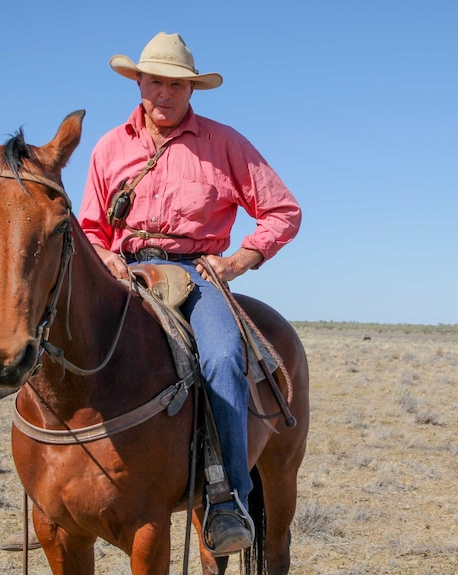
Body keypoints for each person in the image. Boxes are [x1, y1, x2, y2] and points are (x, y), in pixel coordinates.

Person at [79, 32, 301, 556]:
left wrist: (239, 260)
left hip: (195, 274)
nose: (165, 94)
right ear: (139, 82)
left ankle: (228, 501)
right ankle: (57, 492)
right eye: (156, 82)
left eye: (177, 85)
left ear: (191, 90)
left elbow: (283, 210)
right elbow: (89, 225)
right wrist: (105, 255)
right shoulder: (110, 146)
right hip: (123, 272)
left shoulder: (224, 143)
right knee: (60, 348)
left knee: (224, 357)